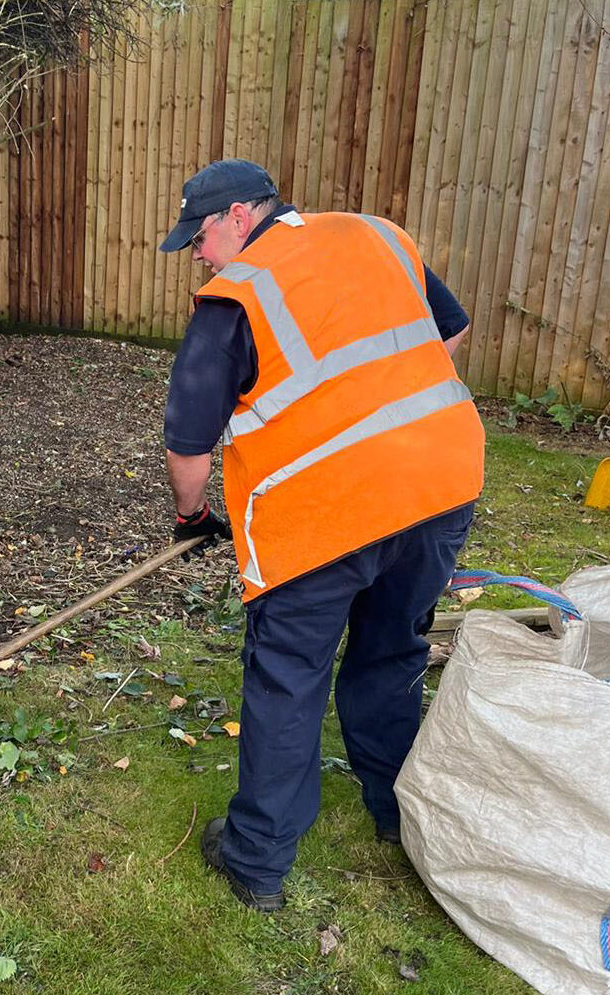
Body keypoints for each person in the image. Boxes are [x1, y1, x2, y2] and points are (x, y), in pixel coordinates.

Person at [161, 159, 484, 913]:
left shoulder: (234, 295)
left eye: (201, 237)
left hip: (323, 517)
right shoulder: (379, 237)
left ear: (240, 216)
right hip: (442, 484)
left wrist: (189, 517)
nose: (199, 255)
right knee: (391, 651)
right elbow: (453, 328)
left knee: (287, 675)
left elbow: (188, 444)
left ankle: (257, 862)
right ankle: (398, 814)